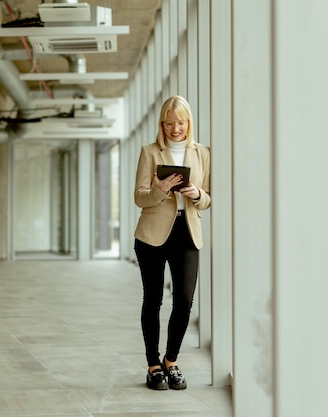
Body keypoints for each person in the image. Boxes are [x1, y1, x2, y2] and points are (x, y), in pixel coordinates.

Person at [133, 95, 211, 390]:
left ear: (188, 122)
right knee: (153, 300)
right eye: (169, 123)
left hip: (187, 232)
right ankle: (153, 365)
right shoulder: (150, 151)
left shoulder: (203, 153)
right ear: (161, 124)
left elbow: (208, 199)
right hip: (152, 234)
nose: (174, 129)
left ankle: (171, 360)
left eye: (180, 122)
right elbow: (139, 197)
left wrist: (195, 194)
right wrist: (160, 189)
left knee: (185, 301)